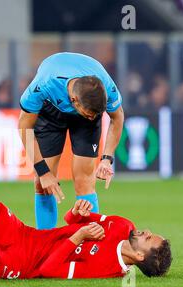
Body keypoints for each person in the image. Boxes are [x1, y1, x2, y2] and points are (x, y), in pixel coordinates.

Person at [0, 189, 171, 280]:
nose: (144, 231)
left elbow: (47, 270)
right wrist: (79, 212)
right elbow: (71, 218)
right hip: (26, 235)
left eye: (148, 238)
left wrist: (78, 237)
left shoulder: (106, 269)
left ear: (138, 256)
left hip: (23, 264)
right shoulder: (123, 225)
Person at [18, 52, 125, 230]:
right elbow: (24, 126)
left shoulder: (106, 86)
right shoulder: (44, 84)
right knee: (42, 184)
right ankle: (46, 245)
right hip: (50, 111)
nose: (94, 119)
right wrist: (44, 173)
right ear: (73, 101)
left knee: (85, 182)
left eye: (96, 115)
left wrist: (107, 158)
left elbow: (117, 117)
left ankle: (92, 246)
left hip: (84, 112)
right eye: (90, 114)